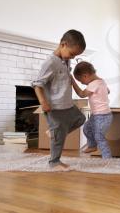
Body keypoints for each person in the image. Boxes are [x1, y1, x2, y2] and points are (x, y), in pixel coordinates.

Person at [32, 29, 87, 170]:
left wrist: (79, 90)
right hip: (54, 106)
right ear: (63, 44)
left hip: (67, 104)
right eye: (72, 54)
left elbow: (68, 77)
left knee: (80, 119)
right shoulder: (50, 63)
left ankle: (55, 133)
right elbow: (38, 85)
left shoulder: (65, 60)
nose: (73, 57)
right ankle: (54, 162)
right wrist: (43, 102)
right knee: (59, 137)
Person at [71, 61, 113, 159]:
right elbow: (108, 91)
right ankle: (92, 146)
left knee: (99, 136)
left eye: (81, 81)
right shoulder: (101, 81)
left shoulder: (93, 84)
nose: (82, 83)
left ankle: (107, 157)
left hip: (102, 116)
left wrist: (73, 82)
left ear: (85, 76)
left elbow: (81, 94)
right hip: (98, 115)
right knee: (86, 128)